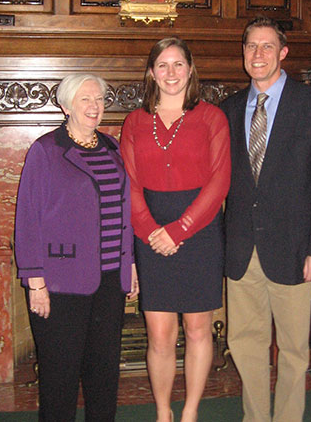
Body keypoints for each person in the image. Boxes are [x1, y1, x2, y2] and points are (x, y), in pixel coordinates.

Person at [220, 17, 311, 422]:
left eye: (267, 46)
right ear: (243, 54)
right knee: (245, 344)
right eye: (251, 47)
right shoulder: (228, 109)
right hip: (240, 251)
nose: (258, 54)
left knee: (293, 349)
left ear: (283, 52)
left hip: (295, 249)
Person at [14, 73, 139, 422]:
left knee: (104, 375)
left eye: (98, 99)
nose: (94, 106)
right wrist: (35, 282)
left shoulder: (113, 148)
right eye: (85, 99)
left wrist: (129, 265)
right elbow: (27, 220)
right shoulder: (46, 151)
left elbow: (122, 210)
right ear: (66, 105)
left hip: (110, 280)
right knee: (60, 378)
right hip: (60, 283)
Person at [120, 37, 231, 422]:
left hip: (199, 230)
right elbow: (129, 185)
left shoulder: (212, 117)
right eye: (162, 65)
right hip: (149, 231)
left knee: (199, 328)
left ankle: (192, 412)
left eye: (178, 64)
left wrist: (179, 229)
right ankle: (164, 412)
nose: (171, 73)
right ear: (152, 72)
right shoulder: (135, 122)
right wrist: (152, 230)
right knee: (160, 334)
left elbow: (219, 182)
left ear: (190, 69)